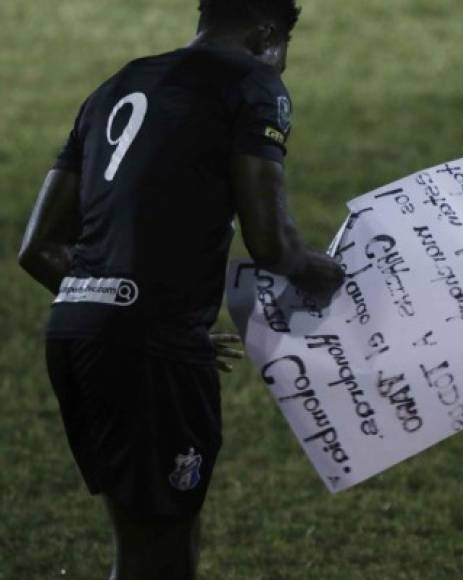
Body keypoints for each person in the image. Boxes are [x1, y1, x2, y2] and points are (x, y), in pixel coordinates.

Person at [17, 0, 345, 578]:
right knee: (157, 559)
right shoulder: (253, 82)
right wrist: (332, 275)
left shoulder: (117, 85)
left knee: (156, 541)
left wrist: (131, 313)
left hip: (75, 334)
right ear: (268, 33)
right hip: (145, 352)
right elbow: (272, 243)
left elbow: (38, 247)